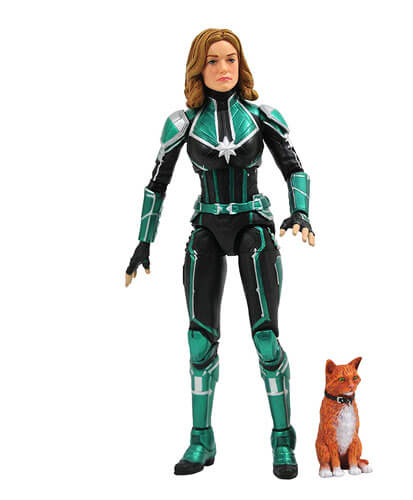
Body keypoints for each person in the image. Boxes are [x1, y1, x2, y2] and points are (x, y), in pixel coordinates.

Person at [125, 28, 314, 479]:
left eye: (231, 59)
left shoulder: (260, 116)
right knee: (199, 340)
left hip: (253, 227)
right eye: (213, 60)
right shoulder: (183, 123)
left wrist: (301, 213)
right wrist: (143, 242)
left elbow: (294, 168)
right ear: (199, 67)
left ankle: (282, 439)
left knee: (266, 338)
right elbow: (157, 184)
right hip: (207, 227)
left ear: (240, 64)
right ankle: (201, 437)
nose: (223, 68)